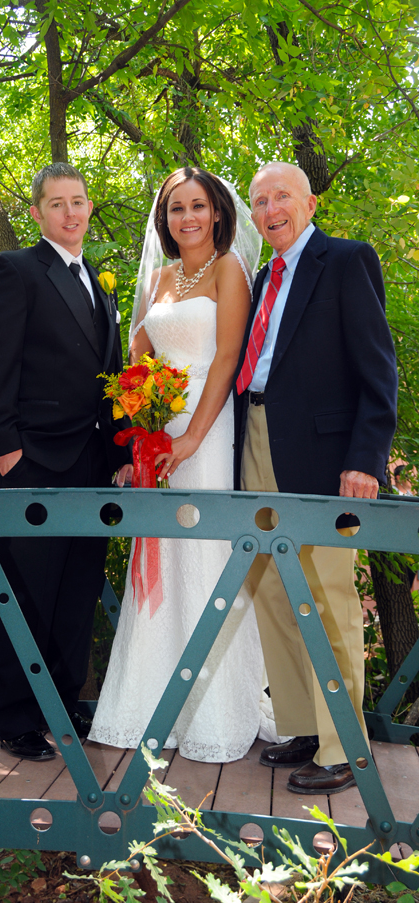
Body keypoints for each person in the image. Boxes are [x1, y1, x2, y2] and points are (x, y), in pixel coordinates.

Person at [89, 167, 281, 763]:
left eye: (198, 206)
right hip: (159, 428)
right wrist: (141, 438)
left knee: (203, 553)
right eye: (176, 208)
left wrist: (194, 437)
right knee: (162, 556)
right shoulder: (160, 277)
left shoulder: (228, 270)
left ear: (219, 213)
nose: (187, 217)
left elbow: (227, 358)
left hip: (207, 422)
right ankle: (150, 706)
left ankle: (216, 712)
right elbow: (137, 359)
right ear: (165, 218)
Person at [235, 161, 398, 794]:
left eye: (281, 196)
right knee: (273, 586)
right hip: (256, 438)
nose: (270, 208)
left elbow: (377, 371)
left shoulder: (347, 260)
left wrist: (363, 460)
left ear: (307, 202)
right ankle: (301, 724)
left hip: (327, 457)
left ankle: (341, 747)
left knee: (328, 595)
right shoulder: (258, 278)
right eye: (259, 201)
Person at [0, 162, 131, 762]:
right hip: (34, 457)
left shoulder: (101, 279)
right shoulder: (14, 270)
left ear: (90, 208)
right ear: (37, 213)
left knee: (77, 588)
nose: (71, 212)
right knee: (27, 588)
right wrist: (6, 452)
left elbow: (110, 378)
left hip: (92, 461)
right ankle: (13, 719)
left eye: (79, 201)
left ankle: (58, 706)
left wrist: (118, 452)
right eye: (57, 203)